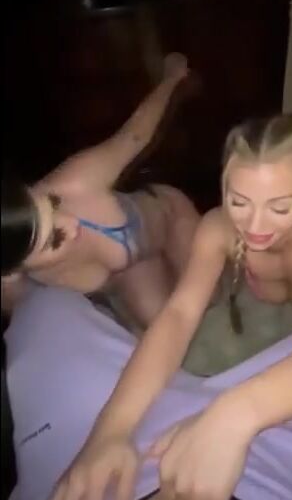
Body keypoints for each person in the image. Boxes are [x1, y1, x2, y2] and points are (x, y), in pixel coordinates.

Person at [40, 115, 292, 500]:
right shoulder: (219, 228)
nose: (255, 226)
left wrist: (233, 415)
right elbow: (177, 317)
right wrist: (109, 433)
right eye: (239, 200)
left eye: (280, 207)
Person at [1, 52, 200, 328]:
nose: (71, 222)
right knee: (160, 329)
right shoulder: (12, 285)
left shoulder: (76, 182)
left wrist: (171, 78)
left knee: (207, 303)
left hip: (171, 219)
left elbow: (137, 134)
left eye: (53, 203)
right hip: (131, 269)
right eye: (55, 239)